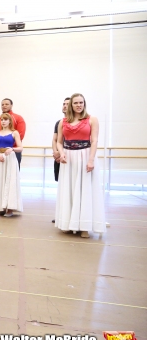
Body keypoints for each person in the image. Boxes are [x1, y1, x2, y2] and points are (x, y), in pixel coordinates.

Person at [55, 93, 106, 238]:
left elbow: (94, 141)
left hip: (85, 156)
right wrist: (61, 152)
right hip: (68, 158)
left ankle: (84, 226)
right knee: (69, 189)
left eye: (81, 102)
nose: (78, 105)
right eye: (76, 103)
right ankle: (67, 223)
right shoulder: (62, 122)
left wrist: (91, 160)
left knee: (84, 190)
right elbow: (59, 141)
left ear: (84, 104)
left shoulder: (92, 120)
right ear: (71, 105)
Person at [0, 113, 23, 217]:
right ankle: (0, 207)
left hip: (10, 158)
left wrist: (12, 149)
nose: (3, 121)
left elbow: (20, 147)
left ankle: (10, 208)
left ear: (10, 121)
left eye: (5, 119)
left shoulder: (14, 133)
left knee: (9, 181)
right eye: (2, 119)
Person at [0, 98, 26, 167]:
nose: (4, 106)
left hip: (13, 152)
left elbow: (20, 134)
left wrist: (9, 147)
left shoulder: (18, 118)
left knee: (12, 175)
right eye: (2, 104)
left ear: (11, 105)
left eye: (6, 104)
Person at [51, 97, 70, 223]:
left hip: (70, 156)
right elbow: (55, 140)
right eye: (63, 104)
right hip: (60, 156)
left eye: (67, 104)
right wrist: (56, 153)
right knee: (62, 185)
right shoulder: (59, 122)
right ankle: (62, 214)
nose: (64, 106)